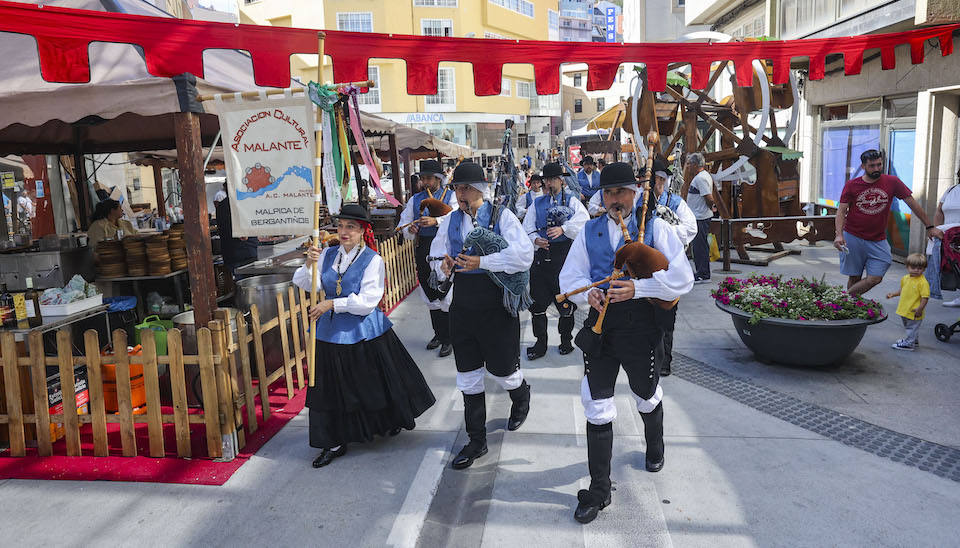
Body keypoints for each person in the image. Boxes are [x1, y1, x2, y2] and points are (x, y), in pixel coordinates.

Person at [558, 161, 693, 524]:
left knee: (645, 396)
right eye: (610, 192)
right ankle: (599, 490)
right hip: (601, 328)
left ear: (635, 193)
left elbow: (683, 280)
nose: (616, 199)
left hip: (641, 327)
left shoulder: (657, 228)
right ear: (602, 195)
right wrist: (589, 297)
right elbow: (569, 276)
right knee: (596, 403)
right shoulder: (589, 230)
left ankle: (654, 444)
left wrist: (640, 287)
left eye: (622, 192)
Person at [293, 204, 436, 468]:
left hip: (363, 329)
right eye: (341, 226)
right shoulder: (326, 254)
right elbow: (303, 282)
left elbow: (368, 301)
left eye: (351, 227)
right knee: (330, 389)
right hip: (329, 331)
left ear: (362, 231)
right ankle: (334, 441)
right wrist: (308, 263)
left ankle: (387, 421)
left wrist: (331, 304)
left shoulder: (373, 259)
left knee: (371, 384)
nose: (344, 231)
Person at [429, 161, 534, 470]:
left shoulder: (502, 217)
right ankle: (477, 440)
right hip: (462, 308)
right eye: (458, 188)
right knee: (469, 378)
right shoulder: (450, 222)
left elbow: (524, 255)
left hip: (496, 308)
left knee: (504, 372)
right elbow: (436, 255)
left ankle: (521, 394)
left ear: (480, 190)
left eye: (466, 189)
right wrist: (443, 267)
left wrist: (483, 263)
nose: (460, 194)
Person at [834, 150, 944, 296]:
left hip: (878, 238)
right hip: (853, 235)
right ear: (863, 167)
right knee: (854, 276)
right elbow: (841, 211)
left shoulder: (892, 182)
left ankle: (844, 298)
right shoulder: (852, 185)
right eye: (872, 166)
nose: (877, 169)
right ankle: (853, 303)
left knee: (875, 277)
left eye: (879, 165)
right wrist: (839, 235)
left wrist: (930, 227)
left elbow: (914, 206)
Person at [522, 162, 589, 359]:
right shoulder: (537, 203)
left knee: (565, 301)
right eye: (547, 180)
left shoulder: (572, 201)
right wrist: (535, 239)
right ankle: (540, 342)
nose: (549, 183)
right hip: (542, 257)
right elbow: (527, 227)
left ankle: (566, 340)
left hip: (564, 257)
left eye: (553, 179)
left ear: (561, 180)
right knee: (538, 301)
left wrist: (564, 229)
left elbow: (584, 221)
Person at [399, 159, 459, 357]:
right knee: (428, 290)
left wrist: (436, 220)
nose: (425, 182)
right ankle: (439, 334)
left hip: (445, 249)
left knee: (445, 293)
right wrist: (411, 228)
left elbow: (457, 218)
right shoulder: (415, 199)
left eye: (429, 178)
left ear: (439, 178)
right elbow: (404, 224)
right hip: (423, 248)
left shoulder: (450, 197)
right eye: (423, 178)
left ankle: (450, 337)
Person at [644, 159, 698, 376]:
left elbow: (690, 229)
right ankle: (648, 358)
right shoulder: (640, 202)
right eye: (650, 179)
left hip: (668, 268)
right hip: (644, 268)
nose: (655, 183)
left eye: (658, 179)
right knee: (645, 317)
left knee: (666, 315)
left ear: (664, 180)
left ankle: (664, 361)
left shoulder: (676, 203)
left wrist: (665, 230)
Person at [924, 177, 960, 307]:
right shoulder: (951, 190)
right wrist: (936, 229)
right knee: (954, 267)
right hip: (949, 238)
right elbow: (939, 211)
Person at [683, 152, 716, 283]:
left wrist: (711, 207)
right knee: (699, 246)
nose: (688, 166)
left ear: (696, 164)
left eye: (689, 164)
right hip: (699, 216)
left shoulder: (700, 179)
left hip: (700, 218)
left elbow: (708, 197)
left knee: (699, 247)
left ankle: (703, 274)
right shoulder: (702, 176)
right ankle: (701, 272)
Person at [886, 253, 930, 351]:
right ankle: (913, 340)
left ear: (924, 269)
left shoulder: (923, 282)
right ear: (907, 267)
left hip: (915, 310)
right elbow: (902, 290)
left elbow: (925, 297)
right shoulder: (905, 278)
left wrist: (920, 308)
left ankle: (909, 344)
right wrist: (893, 294)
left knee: (912, 327)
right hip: (905, 308)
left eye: (920, 268)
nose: (916, 270)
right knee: (909, 326)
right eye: (913, 267)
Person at [215, 192, 258, 279]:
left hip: (235, 254)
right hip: (242, 256)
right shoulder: (235, 204)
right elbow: (242, 235)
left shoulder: (223, 205)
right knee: (246, 285)